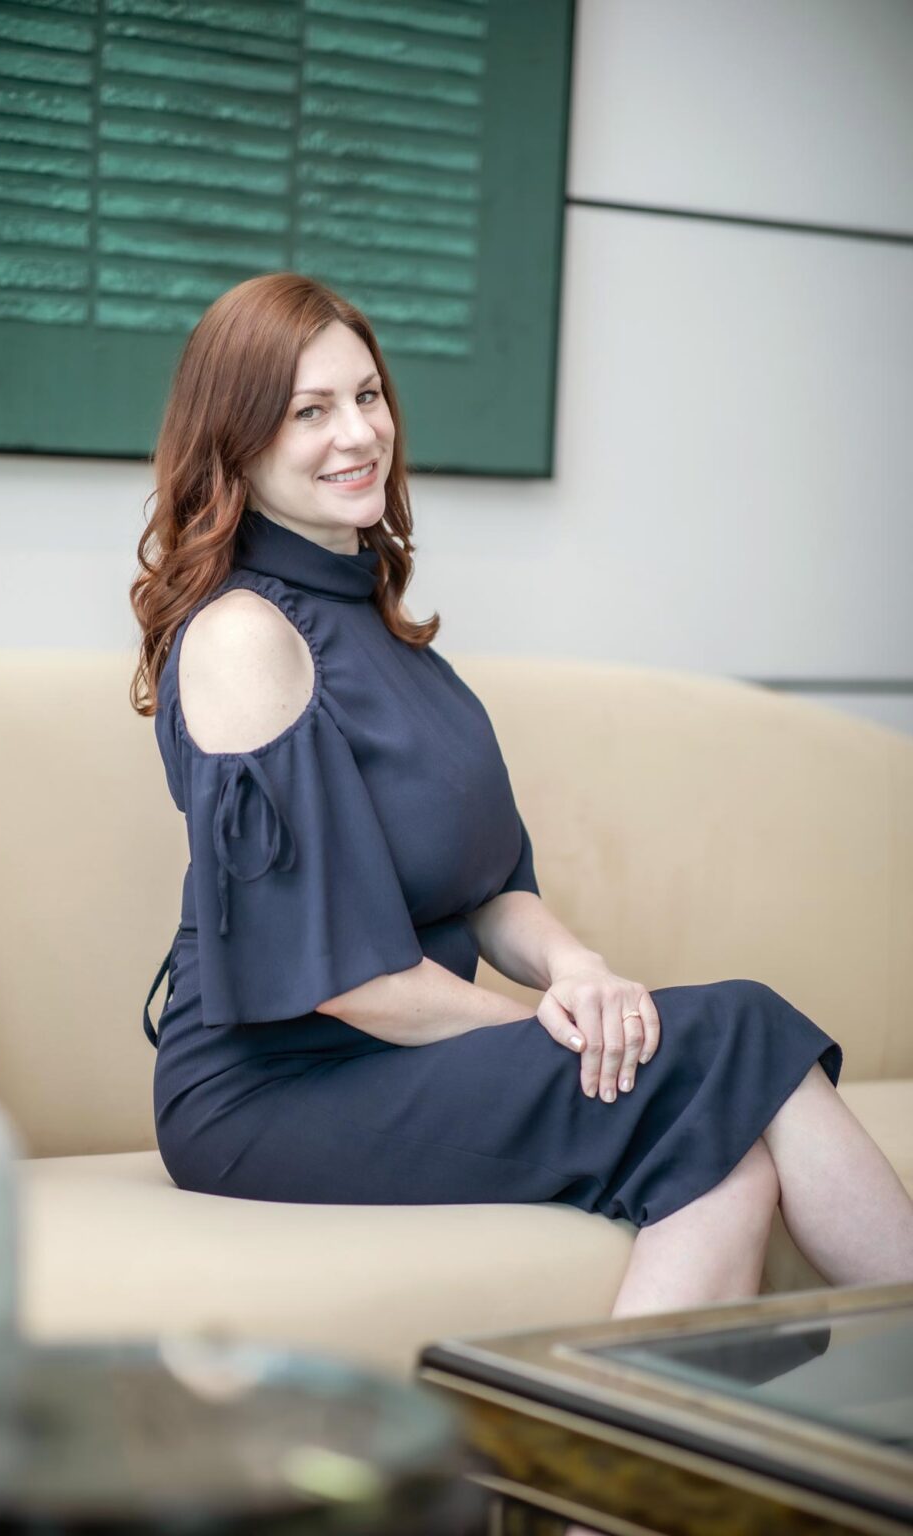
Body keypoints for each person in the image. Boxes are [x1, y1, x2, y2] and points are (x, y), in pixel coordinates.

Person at [130, 269, 913, 1340]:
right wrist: (570, 1034)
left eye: (367, 395)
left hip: (393, 1054)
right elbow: (349, 984)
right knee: (735, 1028)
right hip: (271, 1094)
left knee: (722, 1155)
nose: (358, 433)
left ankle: (615, 1447)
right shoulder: (243, 637)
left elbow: (489, 891)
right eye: (309, 411)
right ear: (236, 446)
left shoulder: (389, 635)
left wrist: (578, 972)